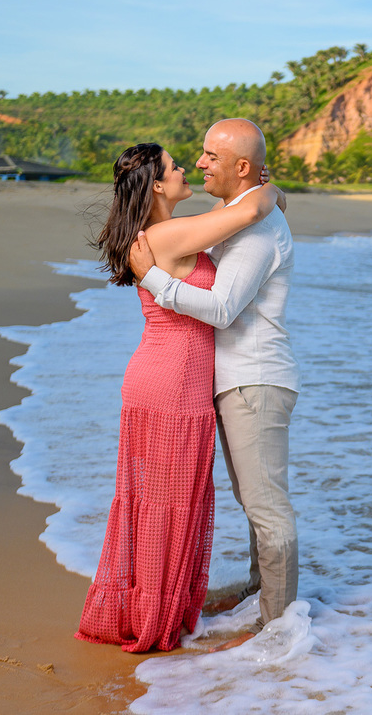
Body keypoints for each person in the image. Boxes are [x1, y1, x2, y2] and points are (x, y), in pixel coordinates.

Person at [76, 142, 283, 653]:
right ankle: (156, 616)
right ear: (157, 185)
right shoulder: (170, 233)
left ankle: (158, 605)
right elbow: (254, 207)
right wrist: (270, 185)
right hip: (172, 383)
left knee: (162, 503)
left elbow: (237, 208)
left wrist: (261, 188)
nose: (187, 167)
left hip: (165, 376)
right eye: (175, 166)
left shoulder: (168, 230)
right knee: (168, 503)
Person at [130, 118, 301, 652]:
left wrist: (153, 279)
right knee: (253, 501)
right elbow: (241, 208)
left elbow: (224, 309)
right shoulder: (238, 213)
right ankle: (259, 593)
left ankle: (276, 625)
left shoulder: (254, 226)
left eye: (210, 155)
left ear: (242, 167)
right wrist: (265, 192)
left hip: (254, 378)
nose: (199, 163)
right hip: (232, 380)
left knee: (266, 505)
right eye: (196, 157)